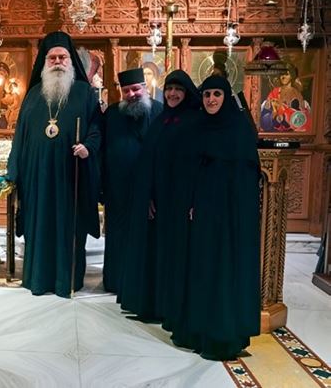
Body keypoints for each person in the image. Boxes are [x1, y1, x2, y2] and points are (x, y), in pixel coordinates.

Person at [6, 31, 103, 296]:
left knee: (68, 227)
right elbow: (20, 136)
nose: (58, 62)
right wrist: (13, 171)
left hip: (71, 175)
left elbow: (97, 128)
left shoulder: (84, 93)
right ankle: (38, 279)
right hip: (36, 177)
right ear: (44, 62)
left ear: (71, 61)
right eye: (53, 58)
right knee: (39, 225)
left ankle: (65, 281)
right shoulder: (33, 94)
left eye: (63, 57)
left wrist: (88, 148)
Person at [171, 75, 260, 361]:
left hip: (230, 215)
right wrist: (192, 201)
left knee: (225, 269)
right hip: (202, 211)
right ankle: (198, 331)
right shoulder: (198, 127)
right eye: (207, 94)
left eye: (217, 94)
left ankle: (223, 335)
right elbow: (188, 170)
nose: (211, 99)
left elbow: (247, 175)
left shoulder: (239, 128)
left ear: (226, 97)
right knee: (202, 268)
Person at [117, 70, 202, 323]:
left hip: (181, 200)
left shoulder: (195, 121)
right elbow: (148, 163)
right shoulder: (162, 120)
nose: (173, 94)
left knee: (176, 255)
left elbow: (197, 165)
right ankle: (154, 305)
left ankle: (172, 308)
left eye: (178, 90)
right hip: (158, 201)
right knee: (156, 254)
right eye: (169, 89)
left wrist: (193, 200)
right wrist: (148, 196)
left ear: (187, 93)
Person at [101, 68, 163, 294]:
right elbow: (102, 150)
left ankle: (141, 285)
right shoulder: (112, 114)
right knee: (117, 236)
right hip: (117, 190)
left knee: (145, 238)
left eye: (136, 89)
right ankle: (116, 282)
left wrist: (154, 193)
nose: (131, 94)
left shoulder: (159, 111)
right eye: (126, 91)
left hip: (148, 191)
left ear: (145, 88)